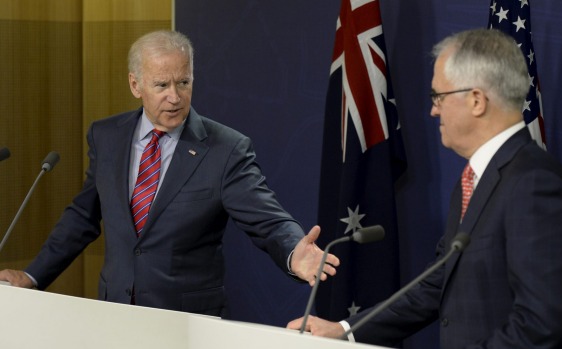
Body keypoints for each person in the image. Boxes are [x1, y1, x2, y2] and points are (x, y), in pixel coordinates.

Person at [0, 30, 339, 317]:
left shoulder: (225, 149)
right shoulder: (106, 136)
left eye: (183, 82)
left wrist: (295, 251)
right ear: (135, 85)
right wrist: (32, 276)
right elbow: (82, 217)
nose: (175, 97)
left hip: (186, 320)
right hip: (114, 311)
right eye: (161, 85)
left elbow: (267, 220)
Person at [287, 28, 562, 348]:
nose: (433, 110)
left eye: (438, 97)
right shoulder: (476, 179)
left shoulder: (534, 184)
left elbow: (541, 323)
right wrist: (347, 329)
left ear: (476, 100)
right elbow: (438, 282)